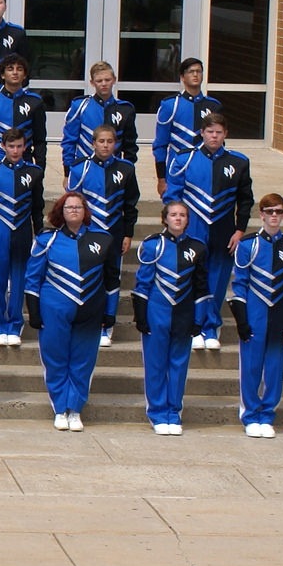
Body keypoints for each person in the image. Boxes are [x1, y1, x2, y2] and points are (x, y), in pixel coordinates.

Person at [23, 192, 119, 432]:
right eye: (69, 207)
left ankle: (75, 409)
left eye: (78, 207)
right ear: (60, 212)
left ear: (85, 211)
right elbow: (33, 278)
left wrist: (110, 313)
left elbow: (112, 280)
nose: (74, 211)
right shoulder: (47, 240)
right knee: (55, 359)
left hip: (91, 311)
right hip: (54, 310)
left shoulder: (104, 240)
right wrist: (33, 312)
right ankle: (59, 408)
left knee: (83, 361)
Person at [164, 113, 253, 350]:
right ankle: (193, 327)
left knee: (218, 280)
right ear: (202, 133)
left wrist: (240, 230)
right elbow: (173, 196)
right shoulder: (184, 158)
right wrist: (176, 227)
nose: (214, 136)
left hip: (224, 229)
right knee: (191, 279)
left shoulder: (239, 162)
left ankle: (210, 327)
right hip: (192, 227)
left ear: (225, 134)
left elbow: (245, 200)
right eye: (210, 131)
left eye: (219, 132)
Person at [229, 193, 283, 438]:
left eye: (278, 211)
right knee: (251, 367)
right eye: (269, 211)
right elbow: (239, 285)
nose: (273, 216)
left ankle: (268, 414)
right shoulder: (248, 245)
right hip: (254, 312)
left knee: (274, 368)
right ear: (261, 214)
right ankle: (250, 414)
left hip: (279, 313)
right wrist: (241, 320)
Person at [133, 199, 209, 435]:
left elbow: (201, 287)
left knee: (178, 366)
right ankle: (156, 412)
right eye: (173, 214)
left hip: (183, 314)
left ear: (188, 220)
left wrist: (199, 319)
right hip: (157, 313)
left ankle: (173, 412)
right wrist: (141, 316)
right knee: (155, 365)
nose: (178, 218)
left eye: (183, 215)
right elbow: (142, 284)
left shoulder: (198, 247)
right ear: (164, 218)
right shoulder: (153, 245)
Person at [66, 124, 140, 347]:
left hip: (114, 232)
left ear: (115, 144)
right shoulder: (80, 168)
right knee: (87, 277)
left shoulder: (126, 169)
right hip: (88, 232)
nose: (106, 145)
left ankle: (107, 326)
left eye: (110, 141)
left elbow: (131, 205)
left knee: (112, 278)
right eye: (101, 141)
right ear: (93, 143)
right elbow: (71, 204)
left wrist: (128, 234)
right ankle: (86, 323)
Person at [0, 127, 43, 346]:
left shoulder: (34, 172)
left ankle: (15, 324)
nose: (15, 150)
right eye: (11, 146)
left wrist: (39, 232)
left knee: (20, 277)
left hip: (23, 229)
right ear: (3, 147)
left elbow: (37, 206)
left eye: (19, 146)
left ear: (25, 147)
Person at [153, 58, 220, 191]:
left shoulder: (214, 105)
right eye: (191, 72)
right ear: (182, 77)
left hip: (204, 168)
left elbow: (219, 142)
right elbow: (160, 145)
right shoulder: (170, 105)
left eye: (199, 71)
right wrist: (161, 179)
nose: (195, 75)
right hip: (177, 169)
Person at [61, 62, 139, 172]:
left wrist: (126, 170)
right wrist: (67, 172)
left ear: (114, 80)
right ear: (92, 83)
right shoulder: (80, 106)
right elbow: (69, 140)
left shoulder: (125, 109)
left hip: (113, 169)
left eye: (107, 80)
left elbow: (130, 145)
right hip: (84, 169)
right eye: (99, 81)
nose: (104, 84)